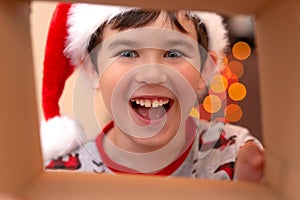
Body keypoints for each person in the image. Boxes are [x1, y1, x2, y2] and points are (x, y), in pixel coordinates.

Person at [40, 2, 264, 181]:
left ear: (205, 70)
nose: (152, 75)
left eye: (174, 53)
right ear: (93, 71)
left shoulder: (235, 155)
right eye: (127, 53)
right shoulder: (62, 177)